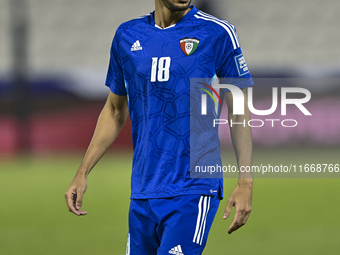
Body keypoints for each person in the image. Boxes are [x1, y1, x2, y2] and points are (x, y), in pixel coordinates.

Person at [65, 0, 253, 254]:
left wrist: (245, 182)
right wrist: (82, 172)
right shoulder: (127, 35)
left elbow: (239, 110)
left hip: (193, 187)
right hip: (144, 190)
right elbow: (114, 109)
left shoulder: (217, 33)